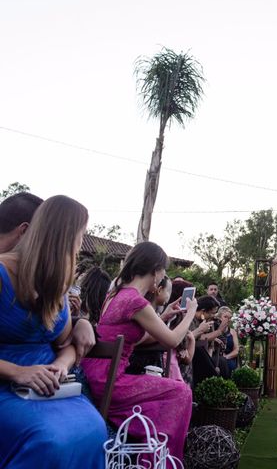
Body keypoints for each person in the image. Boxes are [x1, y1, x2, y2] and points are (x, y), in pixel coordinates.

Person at [0, 195, 106, 468]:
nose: (80, 246)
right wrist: (18, 372)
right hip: (7, 383)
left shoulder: (55, 285)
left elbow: (66, 344)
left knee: (94, 426)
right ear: (62, 238)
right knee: (49, 438)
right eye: (80, 237)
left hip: (49, 386)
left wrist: (61, 363)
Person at [82, 241, 196, 461]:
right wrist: (191, 312)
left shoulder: (116, 294)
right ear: (155, 271)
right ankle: (158, 461)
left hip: (96, 374)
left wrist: (162, 319)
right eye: (163, 271)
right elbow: (172, 340)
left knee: (168, 391)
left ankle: (148, 452)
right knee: (181, 392)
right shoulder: (135, 301)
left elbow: (134, 336)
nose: (163, 277)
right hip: (111, 380)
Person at [217, 306, 240, 371]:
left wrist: (226, 357)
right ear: (219, 317)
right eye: (225, 317)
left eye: (230, 318)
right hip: (216, 358)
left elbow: (236, 350)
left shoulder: (232, 332)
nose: (228, 319)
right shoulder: (213, 329)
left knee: (229, 365)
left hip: (229, 358)